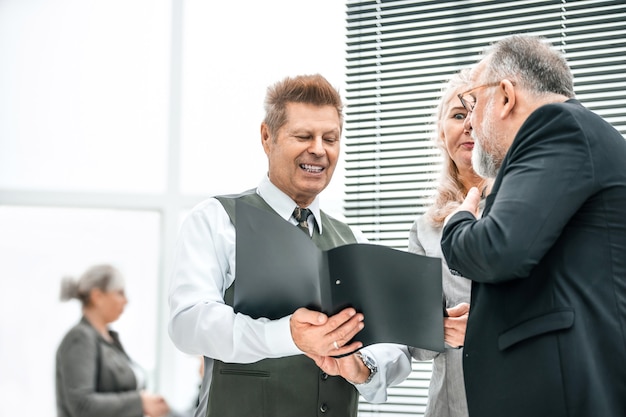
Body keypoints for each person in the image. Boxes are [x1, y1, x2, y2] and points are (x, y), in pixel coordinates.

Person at [168, 74, 376, 417]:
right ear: (267, 137)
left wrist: (365, 367)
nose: (319, 150)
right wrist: (286, 336)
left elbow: (385, 348)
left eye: (331, 138)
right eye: (304, 136)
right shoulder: (215, 220)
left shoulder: (354, 239)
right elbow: (188, 323)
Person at [440, 34, 626, 417]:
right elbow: (563, 283)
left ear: (506, 96)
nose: (472, 123)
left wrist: (458, 223)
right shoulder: (580, 135)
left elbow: (498, 250)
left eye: (473, 104)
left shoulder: (555, 125)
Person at [306, 70, 489, 417]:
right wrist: (364, 366)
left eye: (479, 113)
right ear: (440, 133)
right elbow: (411, 340)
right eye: (458, 114)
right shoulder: (425, 229)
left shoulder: (524, 212)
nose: (468, 124)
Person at [56, 264, 173, 417]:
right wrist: (140, 402)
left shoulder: (110, 340)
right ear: (97, 297)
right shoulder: (80, 338)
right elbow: (82, 405)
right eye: (119, 293)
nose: (126, 301)